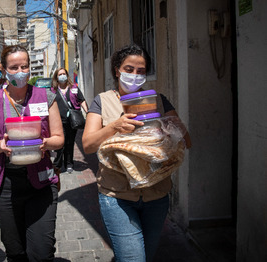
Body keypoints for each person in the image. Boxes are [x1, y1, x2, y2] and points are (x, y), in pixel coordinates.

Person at [82, 44, 192, 262]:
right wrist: (114, 126)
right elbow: (87, 144)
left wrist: (168, 127)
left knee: (146, 256)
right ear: (117, 70)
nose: (134, 75)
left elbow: (186, 141)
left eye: (141, 71)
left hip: (157, 195)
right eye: (129, 69)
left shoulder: (159, 101)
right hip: (117, 196)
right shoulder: (102, 101)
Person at [0, 45, 64, 261]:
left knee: (42, 252)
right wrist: (0, 146)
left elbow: (59, 139)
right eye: (14, 67)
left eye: (24, 66)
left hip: (41, 182)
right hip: (5, 185)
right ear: (5, 70)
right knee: (16, 251)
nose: (20, 71)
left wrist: (44, 143)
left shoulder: (46, 97)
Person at [51, 68, 88, 173]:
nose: (62, 76)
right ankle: (57, 164)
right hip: (59, 121)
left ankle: (69, 164)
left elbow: (82, 100)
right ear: (56, 77)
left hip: (73, 121)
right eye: (60, 74)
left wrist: (88, 113)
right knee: (60, 143)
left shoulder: (74, 88)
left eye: (64, 74)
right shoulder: (53, 90)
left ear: (67, 75)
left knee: (70, 143)